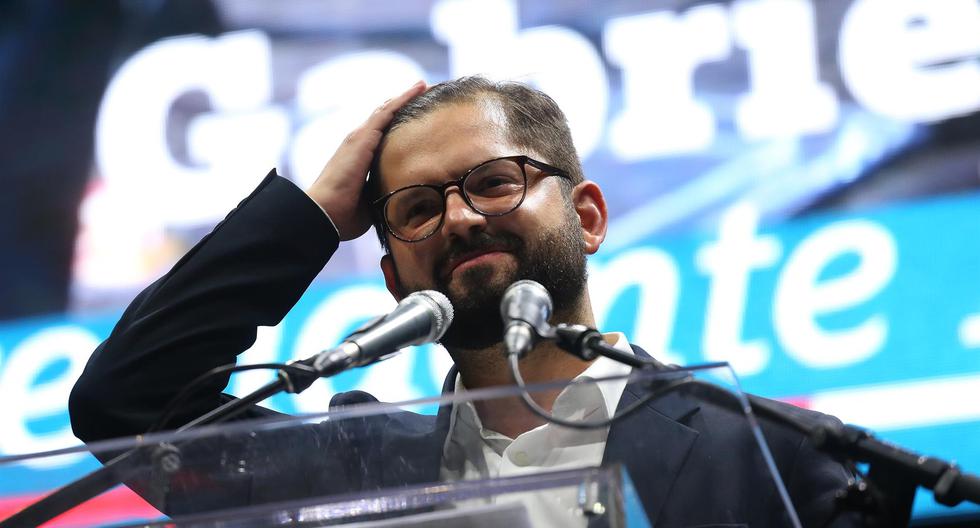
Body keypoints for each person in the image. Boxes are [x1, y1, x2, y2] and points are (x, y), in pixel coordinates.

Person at [70, 77, 859, 526]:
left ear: (586, 216)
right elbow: (124, 407)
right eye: (417, 208)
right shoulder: (351, 474)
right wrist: (310, 217)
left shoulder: (767, 452)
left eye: (493, 181)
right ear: (393, 279)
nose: (457, 216)